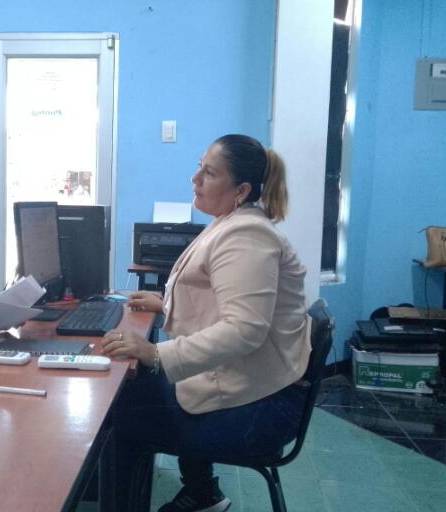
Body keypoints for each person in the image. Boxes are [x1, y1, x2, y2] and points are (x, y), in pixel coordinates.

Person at [101, 134, 311, 512]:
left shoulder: (247, 235)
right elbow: (220, 300)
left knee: (118, 412)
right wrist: (167, 304)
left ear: (241, 190)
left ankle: (193, 494)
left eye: (210, 173)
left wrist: (157, 353)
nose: (195, 178)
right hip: (257, 385)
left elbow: (245, 328)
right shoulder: (233, 223)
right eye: (200, 167)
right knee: (138, 388)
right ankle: (203, 493)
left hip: (263, 409)